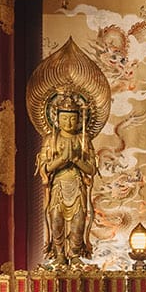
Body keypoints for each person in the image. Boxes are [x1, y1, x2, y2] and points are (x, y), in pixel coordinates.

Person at [36, 94, 96, 264]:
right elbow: (44, 168)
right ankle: (59, 254)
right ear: (56, 118)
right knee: (56, 220)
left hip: (76, 185)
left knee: (78, 222)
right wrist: (62, 159)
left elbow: (92, 169)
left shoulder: (83, 139)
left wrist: (76, 159)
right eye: (64, 118)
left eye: (72, 119)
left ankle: (75, 254)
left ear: (79, 119)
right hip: (58, 186)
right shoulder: (51, 139)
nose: (68, 123)